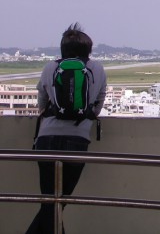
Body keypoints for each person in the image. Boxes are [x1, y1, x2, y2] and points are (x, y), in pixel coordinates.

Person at [26, 23, 107, 234]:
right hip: (77, 140)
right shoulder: (97, 69)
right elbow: (98, 105)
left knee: (49, 202)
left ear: (62, 49)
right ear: (88, 50)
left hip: (47, 139)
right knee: (58, 202)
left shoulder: (50, 68)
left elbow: (42, 104)